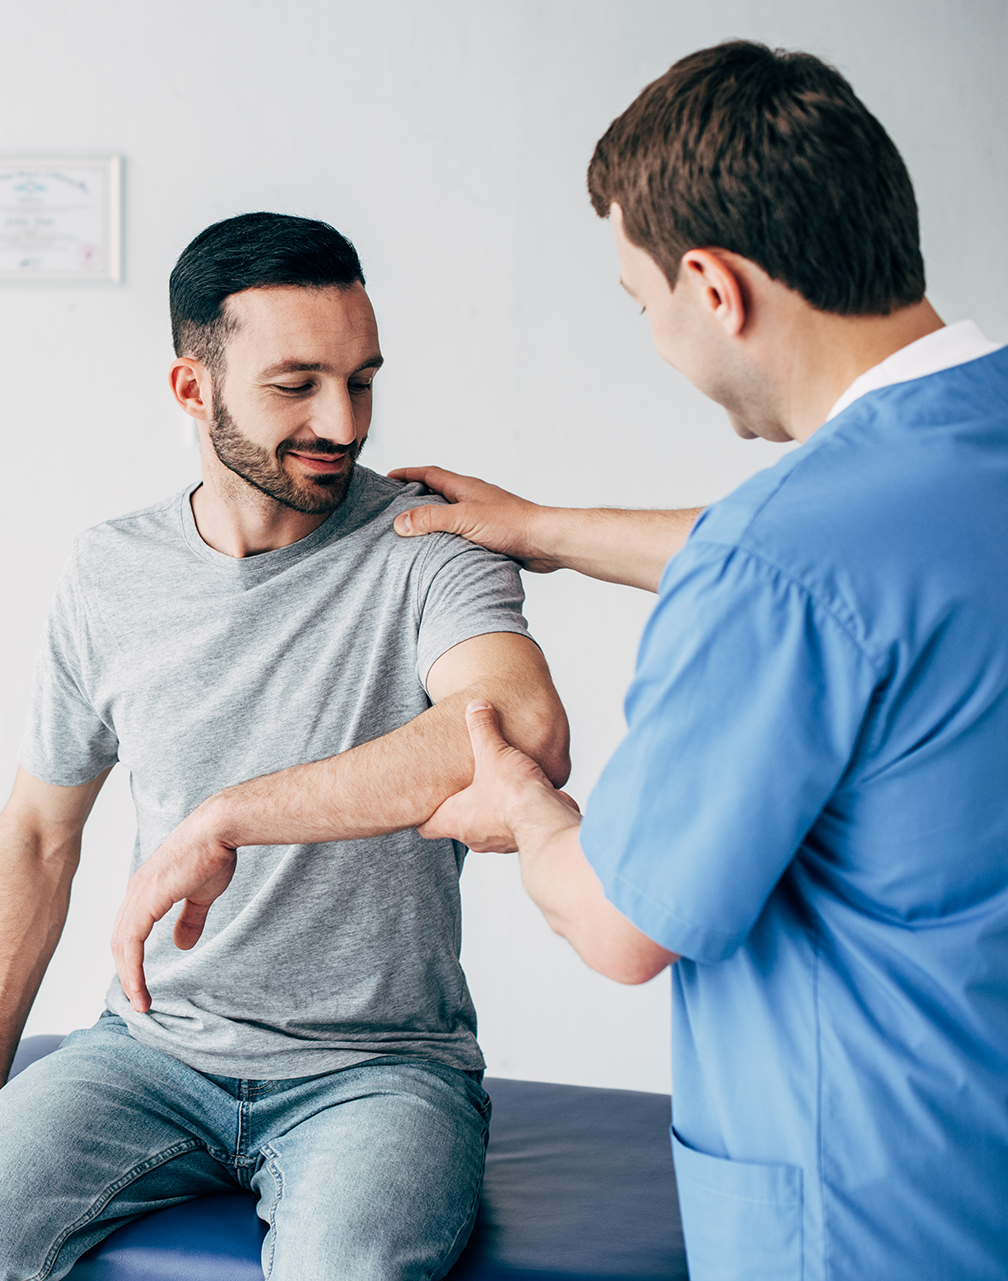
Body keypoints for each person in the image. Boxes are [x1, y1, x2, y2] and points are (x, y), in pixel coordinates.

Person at [116, 43, 1008, 1280]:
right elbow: (868, 550)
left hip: (870, 1210)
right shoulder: (957, 467)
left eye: (642, 302)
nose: (652, 338)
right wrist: (544, 530)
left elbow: (620, 923)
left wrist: (531, 816)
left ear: (714, 286)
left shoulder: (781, 565)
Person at [0, 212, 572, 1280]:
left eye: (363, 380)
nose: (343, 419)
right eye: (297, 384)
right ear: (192, 388)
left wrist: (229, 816)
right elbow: (40, 832)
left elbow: (517, 731)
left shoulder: (428, 542)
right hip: (149, 1052)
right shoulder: (109, 573)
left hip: (378, 1070)